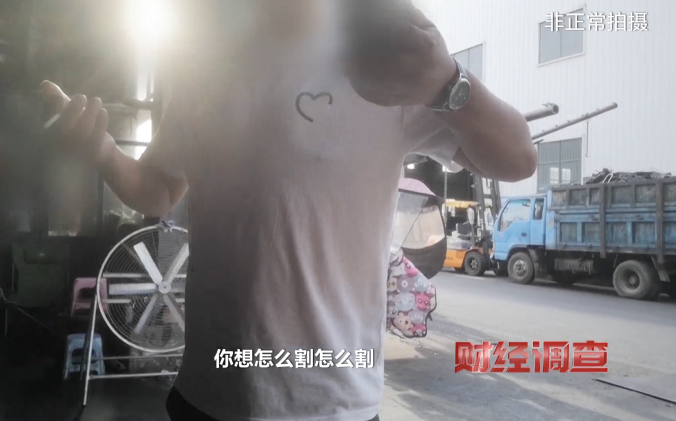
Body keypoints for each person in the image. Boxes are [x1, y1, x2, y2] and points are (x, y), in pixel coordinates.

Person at [42, 2, 536, 420]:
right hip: (208, 394)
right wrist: (103, 152)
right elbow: (161, 187)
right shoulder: (204, 71)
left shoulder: (382, 58)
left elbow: (518, 159)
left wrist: (448, 82)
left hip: (333, 403)